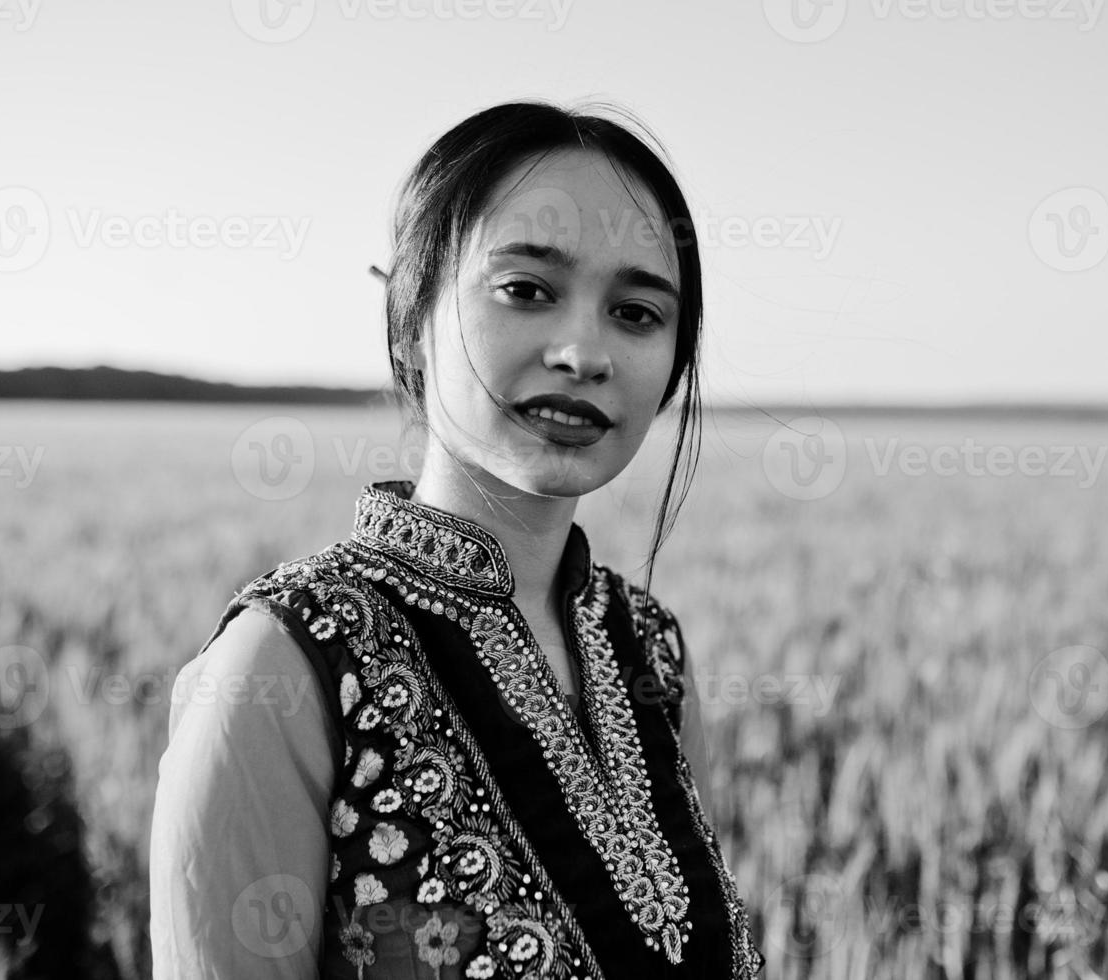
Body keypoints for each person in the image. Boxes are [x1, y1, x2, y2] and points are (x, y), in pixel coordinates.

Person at [149, 99, 766, 979]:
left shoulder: (653, 651)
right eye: (525, 290)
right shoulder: (286, 663)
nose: (583, 351)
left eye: (636, 313)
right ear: (411, 315)